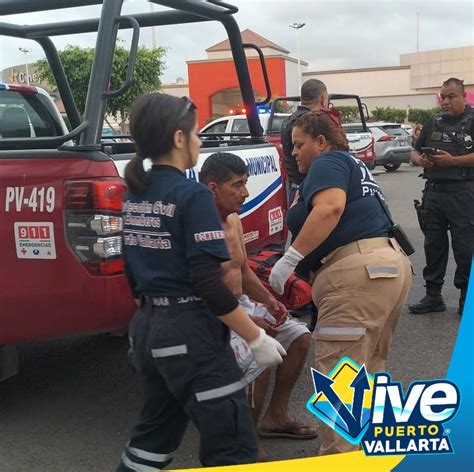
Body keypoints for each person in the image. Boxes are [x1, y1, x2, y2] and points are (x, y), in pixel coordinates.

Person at [117, 93, 286, 471]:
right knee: (234, 446)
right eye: (195, 134)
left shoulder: (135, 193)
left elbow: (131, 271)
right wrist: (256, 338)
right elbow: (208, 283)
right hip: (190, 336)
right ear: (179, 139)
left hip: (146, 330)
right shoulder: (191, 194)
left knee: (152, 441)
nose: (199, 141)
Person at [269, 110, 412, 455]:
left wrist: (289, 261)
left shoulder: (329, 160)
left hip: (357, 273)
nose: (293, 152)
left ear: (321, 142)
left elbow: (331, 208)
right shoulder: (351, 166)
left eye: (299, 144)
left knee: (340, 381)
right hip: (386, 268)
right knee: (368, 373)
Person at [199, 152, 317, 445]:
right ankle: (247, 443)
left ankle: (275, 416)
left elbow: (243, 270)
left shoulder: (234, 220)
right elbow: (199, 288)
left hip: (242, 305)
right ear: (213, 187)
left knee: (300, 337)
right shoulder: (198, 228)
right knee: (259, 353)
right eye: (237, 185)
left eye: (246, 183)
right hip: (211, 314)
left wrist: (269, 300)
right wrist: (247, 324)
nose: (245, 193)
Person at [409, 77, 474, 316]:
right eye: (442, 97)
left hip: (464, 194)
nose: (445, 102)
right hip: (434, 192)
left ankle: (467, 298)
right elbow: (414, 151)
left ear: (463, 97)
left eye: (451, 97)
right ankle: (433, 296)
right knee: (433, 245)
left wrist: (452, 161)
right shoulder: (432, 122)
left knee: (465, 248)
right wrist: (420, 159)